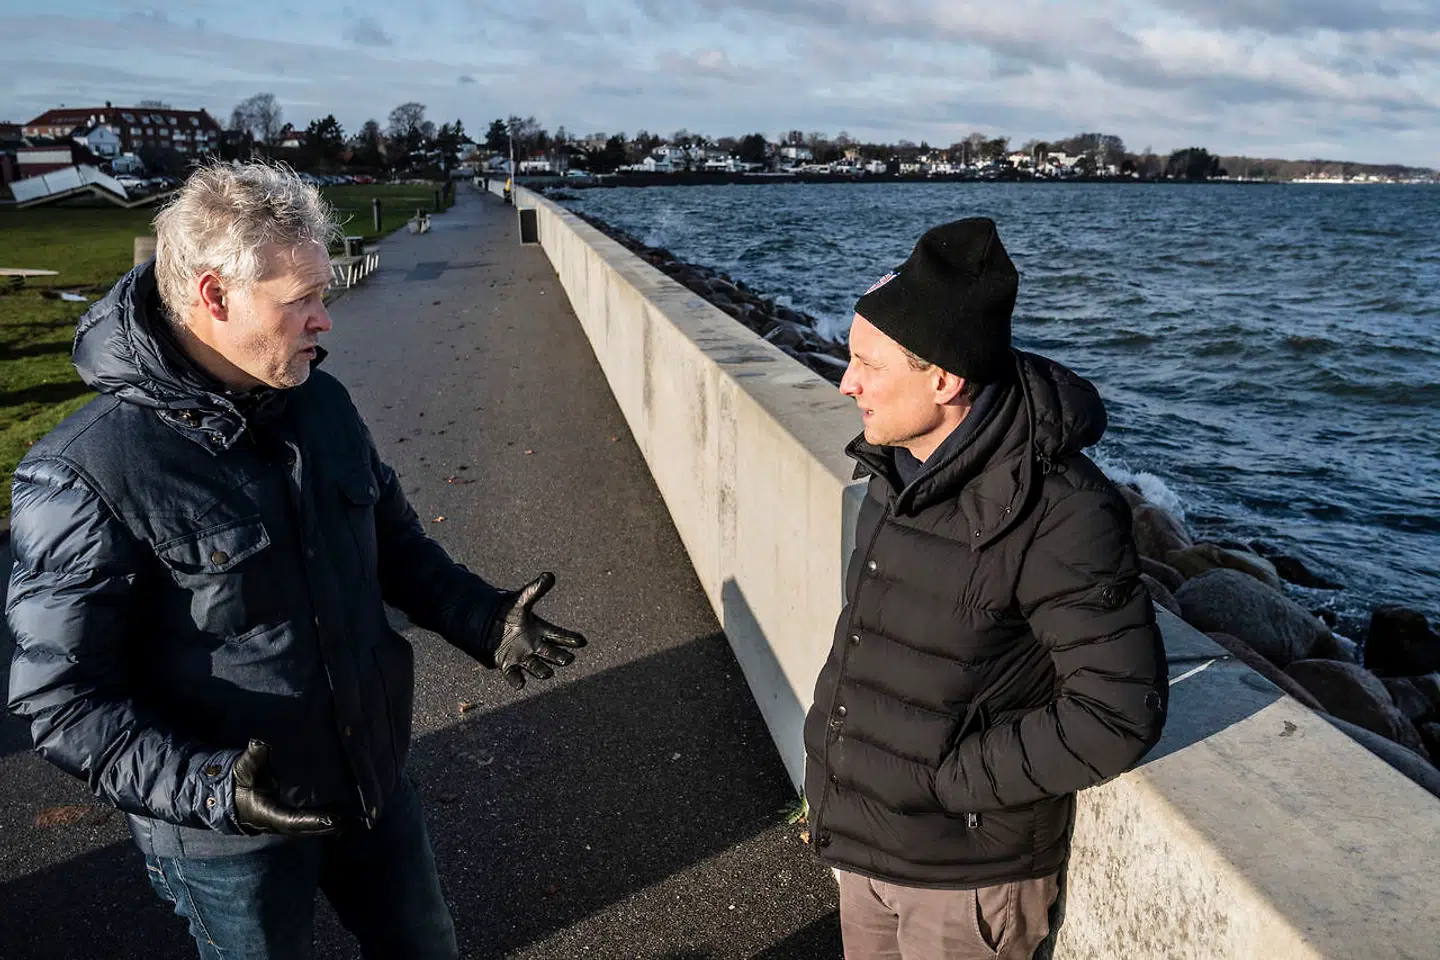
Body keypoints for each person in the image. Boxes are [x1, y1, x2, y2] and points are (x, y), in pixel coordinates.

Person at [6, 161, 588, 959]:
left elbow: (394, 546)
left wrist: (482, 620)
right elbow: (61, 699)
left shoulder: (321, 402)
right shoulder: (85, 473)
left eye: (323, 293)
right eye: (302, 301)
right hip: (227, 841)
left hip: (372, 786)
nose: (326, 321)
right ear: (213, 297)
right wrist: (213, 790)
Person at [802, 218, 1168, 960]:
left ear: (942, 378)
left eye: (867, 364)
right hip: (868, 846)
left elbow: (1119, 711)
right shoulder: (896, 467)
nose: (847, 383)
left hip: (965, 881)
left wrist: (947, 781)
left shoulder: (1059, 509)